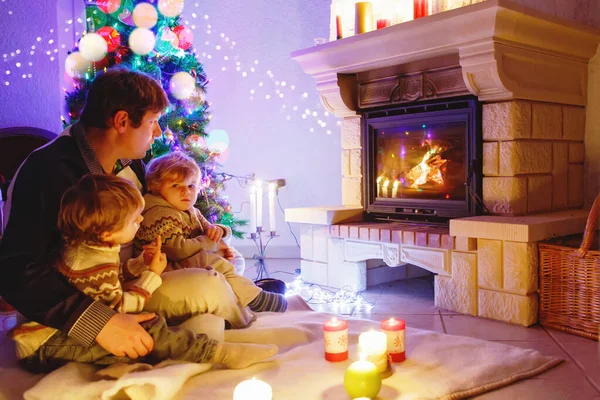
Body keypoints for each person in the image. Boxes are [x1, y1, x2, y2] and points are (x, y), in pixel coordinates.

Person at [0, 67, 254, 360]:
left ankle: (203, 338)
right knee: (207, 289)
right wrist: (100, 323)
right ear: (121, 121)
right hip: (74, 309)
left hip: (128, 283)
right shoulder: (48, 171)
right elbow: (17, 268)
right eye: (153, 122)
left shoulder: (130, 166)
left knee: (215, 278)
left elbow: (160, 221)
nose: (158, 132)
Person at [12, 174, 277, 372]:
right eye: (134, 220)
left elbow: (112, 280)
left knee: (151, 330)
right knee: (150, 334)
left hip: (59, 330)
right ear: (107, 231)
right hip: (48, 345)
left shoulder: (92, 245)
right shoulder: (93, 263)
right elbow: (117, 311)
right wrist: (153, 275)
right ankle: (217, 354)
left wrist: (140, 265)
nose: (141, 222)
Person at [134, 152, 287, 325]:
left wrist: (219, 231)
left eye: (191, 185)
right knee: (215, 262)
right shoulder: (159, 213)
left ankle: (240, 294)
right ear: (155, 187)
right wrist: (211, 243)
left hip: (183, 261)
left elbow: (209, 229)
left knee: (232, 258)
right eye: (176, 185)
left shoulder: (190, 210)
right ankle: (251, 300)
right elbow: (178, 250)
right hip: (162, 269)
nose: (186, 191)